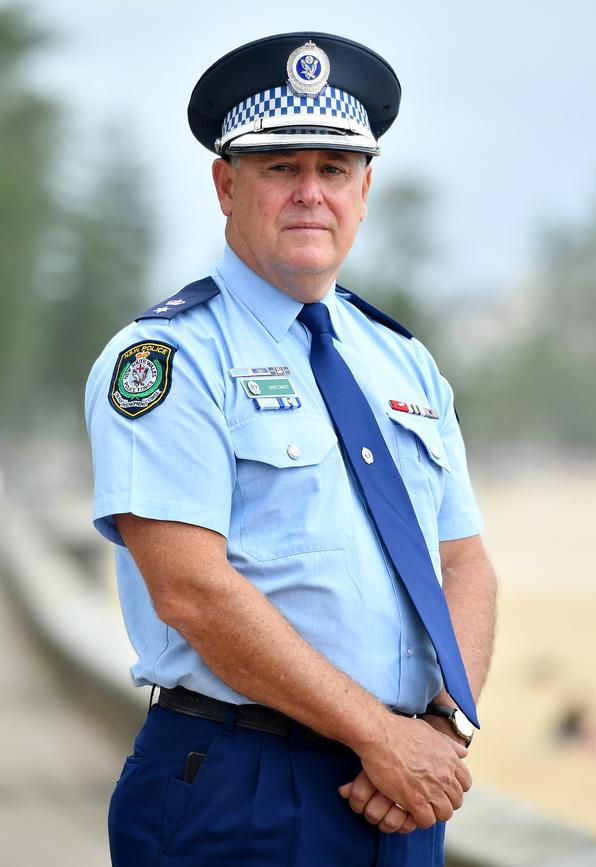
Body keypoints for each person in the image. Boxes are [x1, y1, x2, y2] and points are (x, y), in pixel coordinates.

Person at [85, 31, 497, 867]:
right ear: (225, 184)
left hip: (402, 790)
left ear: (365, 188)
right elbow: (192, 591)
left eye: (335, 169)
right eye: (281, 168)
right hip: (240, 785)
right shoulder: (168, 360)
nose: (312, 192)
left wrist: (439, 731)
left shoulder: (402, 359)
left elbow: (466, 565)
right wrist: (378, 734)